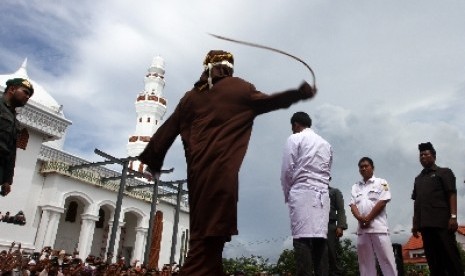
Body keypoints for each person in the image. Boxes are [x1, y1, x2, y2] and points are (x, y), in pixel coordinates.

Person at [138, 50, 317, 276]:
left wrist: (153, 163)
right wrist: (299, 93)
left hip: (197, 179)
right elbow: (271, 101)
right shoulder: (240, 89)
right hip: (222, 177)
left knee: (207, 240)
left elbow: (166, 131)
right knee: (207, 242)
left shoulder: (190, 98)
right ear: (228, 67)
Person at [280, 111, 332, 276]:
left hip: (302, 191)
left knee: (302, 238)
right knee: (320, 239)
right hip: (322, 194)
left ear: (295, 125)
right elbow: (328, 170)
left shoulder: (295, 138)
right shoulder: (326, 144)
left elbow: (287, 170)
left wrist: (288, 193)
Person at [411, 142, 464, 276]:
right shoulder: (418, 179)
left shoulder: (444, 172)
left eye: (426, 154)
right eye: (421, 155)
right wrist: (415, 223)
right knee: (433, 261)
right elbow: (417, 202)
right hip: (425, 225)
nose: (423, 157)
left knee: (450, 257)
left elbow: (451, 193)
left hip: (442, 223)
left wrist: (453, 217)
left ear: (434, 156)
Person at [349, 157, 397, 276]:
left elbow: (383, 201)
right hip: (362, 230)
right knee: (365, 263)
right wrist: (360, 218)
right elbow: (352, 204)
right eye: (361, 167)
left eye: (366, 166)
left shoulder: (382, 182)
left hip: (378, 228)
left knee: (386, 261)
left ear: (372, 167)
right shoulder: (356, 186)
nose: (363, 168)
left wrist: (369, 218)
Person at [1, 78, 34, 197]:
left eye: (29, 95)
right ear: (12, 89)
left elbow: (11, 152)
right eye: (25, 92)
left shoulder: (15, 122)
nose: (27, 97)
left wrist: (7, 180)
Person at [324, 185, 347, 276]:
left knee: (332, 254)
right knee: (318, 256)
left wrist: (340, 226)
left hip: (330, 225)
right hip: (315, 227)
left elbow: (341, 209)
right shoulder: (313, 191)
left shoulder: (334, 191)